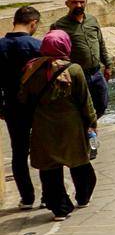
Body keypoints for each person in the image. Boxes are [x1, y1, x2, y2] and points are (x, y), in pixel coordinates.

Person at [18, 30, 97, 221]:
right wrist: (92, 121)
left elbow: (23, 98)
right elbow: (85, 100)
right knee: (80, 162)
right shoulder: (74, 70)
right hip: (71, 126)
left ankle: (60, 208)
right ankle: (83, 197)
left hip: (43, 126)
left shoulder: (31, 69)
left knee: (49, 169)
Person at [0, 8, 43, 210]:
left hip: (11, 107)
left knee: (18, 153)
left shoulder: (0, 46)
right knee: (45, 150)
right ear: (33, 23)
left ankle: (27, 198)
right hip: (38, 107)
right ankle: (48, 196)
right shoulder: (37, 45)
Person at [50, 0, 109, 119]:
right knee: (82, 106)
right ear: (67, 4)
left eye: (81, 2)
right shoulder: (59, 26)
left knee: (102, 103)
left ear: (86, 2)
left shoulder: (92, 20)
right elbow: (54, 51)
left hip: (96, 71)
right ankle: (87, 129)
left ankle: (91, 125)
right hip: (78, 74)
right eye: (74, 2)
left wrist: (108, 65)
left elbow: (100, 42)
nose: (78, 5)